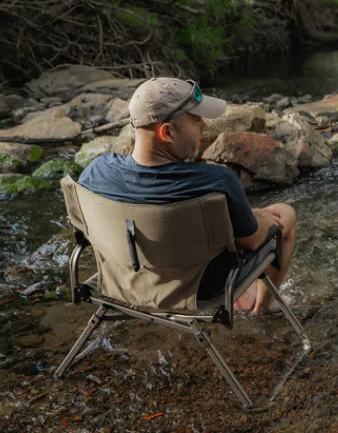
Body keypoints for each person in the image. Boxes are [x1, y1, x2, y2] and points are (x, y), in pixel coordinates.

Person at [78, 77, 295, 314]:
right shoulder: (215, 180)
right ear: (167, 132)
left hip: (124, 280)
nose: (204, 126)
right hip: (198, 289)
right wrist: (259, 217)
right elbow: (253, 240)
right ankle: (262, 308)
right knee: (286, 214)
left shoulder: (95, 172)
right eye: (196, 120)